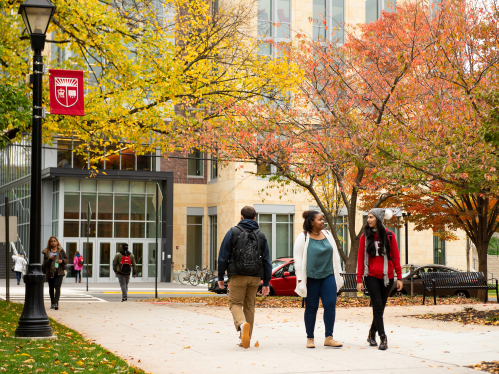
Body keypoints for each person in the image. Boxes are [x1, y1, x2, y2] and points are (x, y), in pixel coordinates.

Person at [217, 206, 272, 349]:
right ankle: (245, 338)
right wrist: (266, 282)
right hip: (255, 277)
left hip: (238, 275)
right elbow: (267, 260)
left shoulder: (233, 232)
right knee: (249, 306)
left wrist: (220, 276)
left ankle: (242, 325)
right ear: (255, 218)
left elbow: (223, 255)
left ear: (241, 217)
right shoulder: (261, 235)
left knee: (234, 303)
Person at [293, 210, 344, 349]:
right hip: (311, 277)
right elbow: (297, 260)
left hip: (328, 275)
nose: (323, 222)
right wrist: (299, 279)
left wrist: (338, 273)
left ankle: (329, 337)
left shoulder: (328, 235)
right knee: (311, 307)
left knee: (330, 305)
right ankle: (310, 338)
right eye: (320, 219)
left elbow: (335, 255)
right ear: (311, 222)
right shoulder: (303, 237)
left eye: (323, 219)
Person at [357, 208, 403, 350]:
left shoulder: (390, 235)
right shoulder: (365, 236)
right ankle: (383, 337)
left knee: (380, 307)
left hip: (387, 277)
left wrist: (399, 276)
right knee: (377, 304)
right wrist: (359, 279)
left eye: (371, 217)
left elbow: (395, 256)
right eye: (367, 217)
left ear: (378, 218)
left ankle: (371, 333)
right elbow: (360, 259)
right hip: (370, 276)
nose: (368, 220)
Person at [42, 236, 69, 310]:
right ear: (50, 243)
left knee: (57, 287)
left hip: (59, 272)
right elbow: (45, 263)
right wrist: (50, 259)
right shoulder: (47, 251)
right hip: (50, 272)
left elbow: (67, 259)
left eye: (54, 241)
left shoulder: (60, 250)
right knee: (51, 288)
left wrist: (62, 261)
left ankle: (56, 303)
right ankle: (52, 303)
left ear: (57, 242)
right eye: (52, 241)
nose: (53, 242)